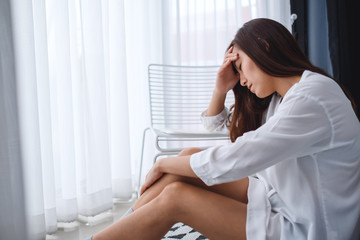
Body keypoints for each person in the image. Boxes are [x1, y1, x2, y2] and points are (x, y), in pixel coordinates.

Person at [91, 18, 360, 240]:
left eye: (240, 67)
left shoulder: (312, 98)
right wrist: (221, 89)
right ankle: (125, 228)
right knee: (189, 154)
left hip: (309, 228)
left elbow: (240, 156)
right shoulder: (281, 96)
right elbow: (216, 124)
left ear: (264, 46)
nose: (241, 81)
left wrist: (164, 164)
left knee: (176, 197)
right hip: (280, 199)